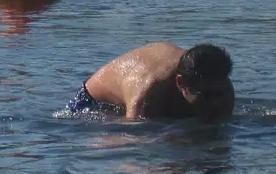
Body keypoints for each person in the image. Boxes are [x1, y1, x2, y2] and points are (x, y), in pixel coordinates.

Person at [67, 42, 234, 121]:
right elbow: (131, 136)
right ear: (180, 83)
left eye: (218, 94)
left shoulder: (221, 83)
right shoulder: (149, 89)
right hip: (95, 102)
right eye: (206, 96)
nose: (215, 102)